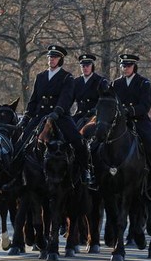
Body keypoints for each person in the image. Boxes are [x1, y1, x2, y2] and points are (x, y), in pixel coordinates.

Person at [17, 44, 94, 187]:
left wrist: (57, 112)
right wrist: (27, 117)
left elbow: (66, 98)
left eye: (55, 57)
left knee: (79, 141)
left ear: (60, 59)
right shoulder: (40, 76)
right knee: (21, 142)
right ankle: (15, 178)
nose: (51, 59)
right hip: (40, 116)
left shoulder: (67, 77)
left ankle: (86, 172)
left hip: (60, 116)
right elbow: (34, 100)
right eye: (50, 57)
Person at [110, 53, 151, 194]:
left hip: (139, 120)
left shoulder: (143, 83)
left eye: (128, 66)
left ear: (134, 66)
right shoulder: (116, 84)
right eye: (123, 66)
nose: (125, 68)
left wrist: (130, 110)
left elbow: (145, 105)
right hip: (121, 121)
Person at [72, 53, 109, 129]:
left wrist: (96, 109)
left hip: (95, 116)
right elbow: (69, 99)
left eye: (87, 66)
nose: (85, 68)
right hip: (79, 115)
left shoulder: (100, 81)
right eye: (83, 66)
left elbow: (106, 101)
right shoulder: (76, 82)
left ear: (92, 66)